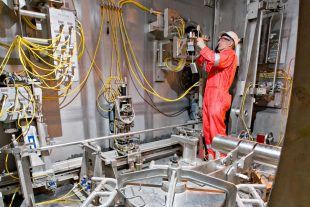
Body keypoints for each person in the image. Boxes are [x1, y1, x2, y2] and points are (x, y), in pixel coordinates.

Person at [196, 31, 239, 159]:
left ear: (230, 43)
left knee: (216, 129)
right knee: (207, 128)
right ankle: (211, 156)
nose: (219, 41)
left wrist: (203, 46)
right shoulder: (219, 56)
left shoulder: (230, 55)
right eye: (219, 38)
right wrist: (202, 51)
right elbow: (204, 65)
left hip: (219, 97)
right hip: (209, 96)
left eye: (223, 39)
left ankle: (221, 158)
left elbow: (214, 59)